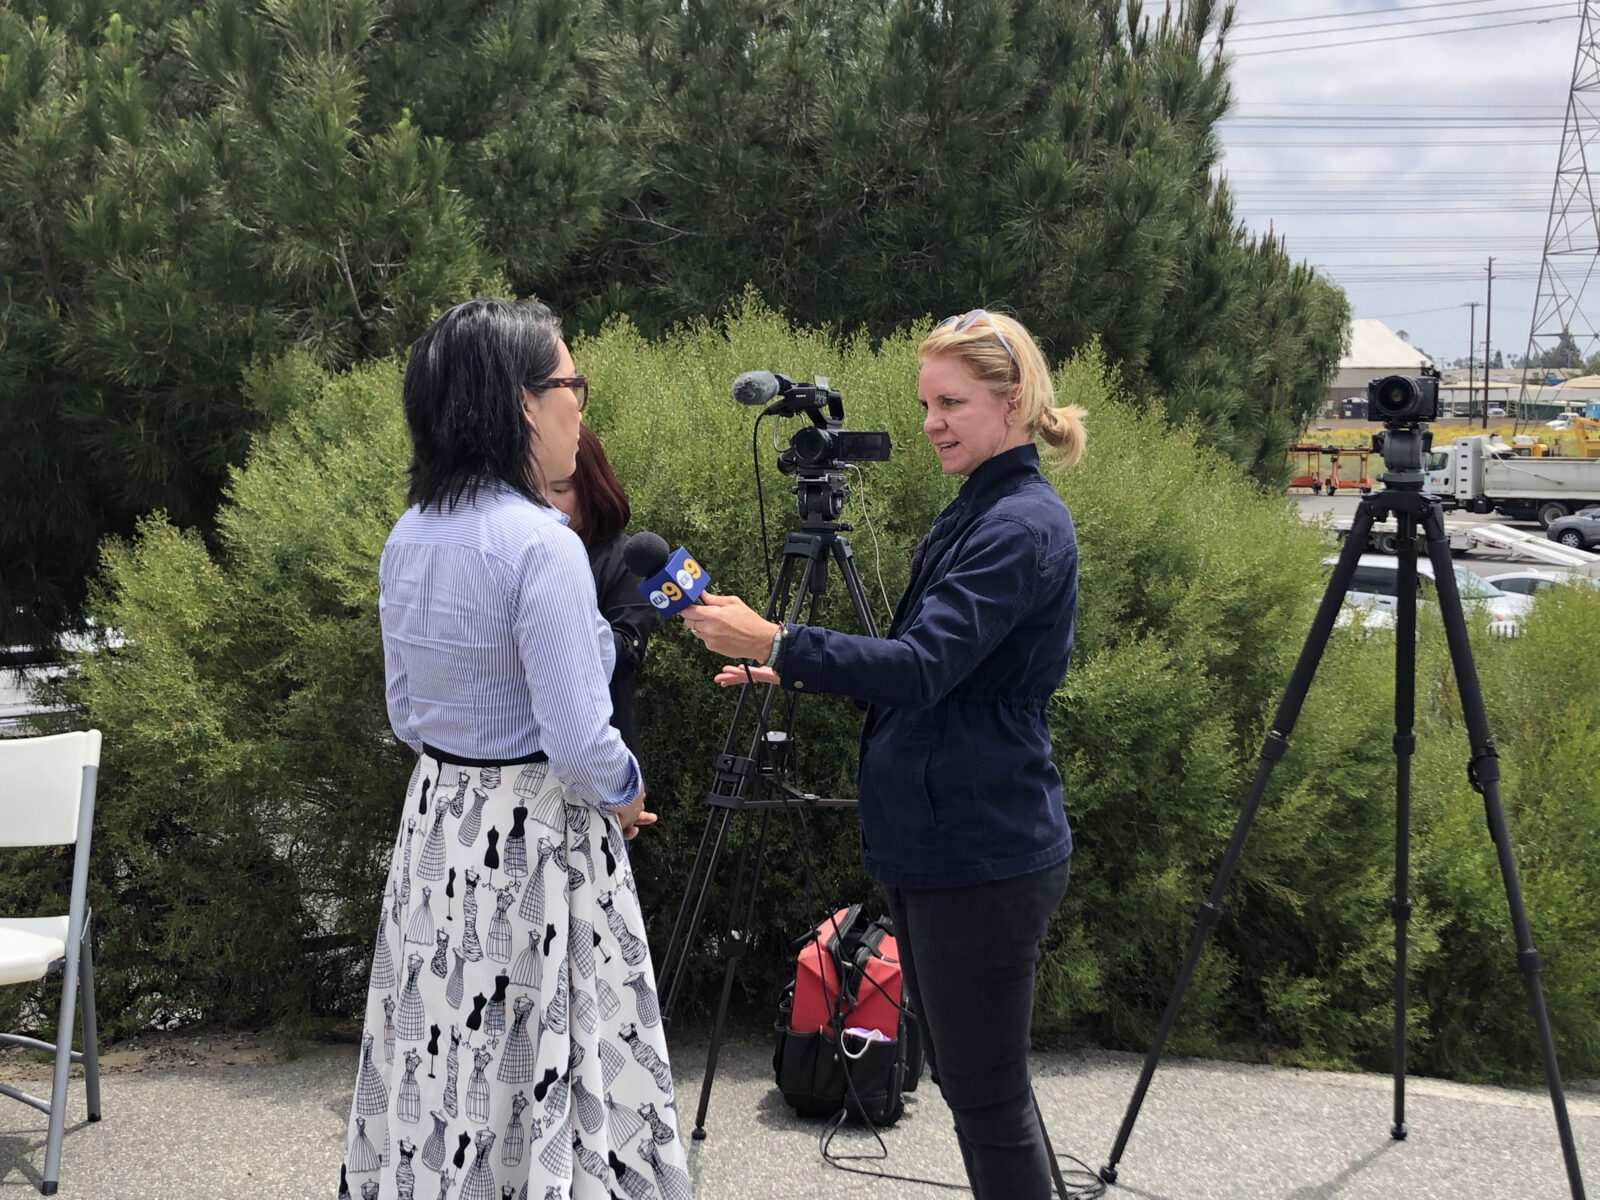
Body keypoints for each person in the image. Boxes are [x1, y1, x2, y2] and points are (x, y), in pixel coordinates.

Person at [681, 309, 1086, 1199]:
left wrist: (781, 641)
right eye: (926, 402)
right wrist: (782, 671)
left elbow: (922, 668)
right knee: (983, 1089)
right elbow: (925, 674)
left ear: (1015, 404)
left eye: (953, 402)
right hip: (947, 843)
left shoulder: (1017, 526)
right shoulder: (979, 506)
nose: (933, 421)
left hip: (980, 851)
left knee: (985, 1097)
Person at [340, 297, 690, 1199]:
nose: (581, 401)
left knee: (444, 1061)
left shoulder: (408, 535)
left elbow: (406, 714)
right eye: (572, 382)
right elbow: (579, 743)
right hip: (536, 848)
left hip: (436, 839)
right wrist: (626, 784)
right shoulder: (542, 546)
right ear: (524, 402)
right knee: (553, 1074)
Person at [546, 424, 656, 760]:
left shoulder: (624, 557)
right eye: (532, 492)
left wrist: (556, 608)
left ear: (592, 488)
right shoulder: (523, 552)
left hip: (599, 750)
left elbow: (626, 650)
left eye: (560, 489)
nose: (546, 504)